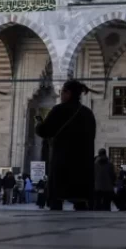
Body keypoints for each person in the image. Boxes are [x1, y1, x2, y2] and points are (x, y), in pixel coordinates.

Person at [36, 80, 96, 211]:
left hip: (62, 162)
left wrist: (39, 125)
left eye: (62, 92)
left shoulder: (59, 110)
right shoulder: (87, 113)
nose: (61, 95)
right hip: (82, 166)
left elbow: (44, 131)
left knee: (57, 199)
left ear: (68, 93)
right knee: (80, 200)